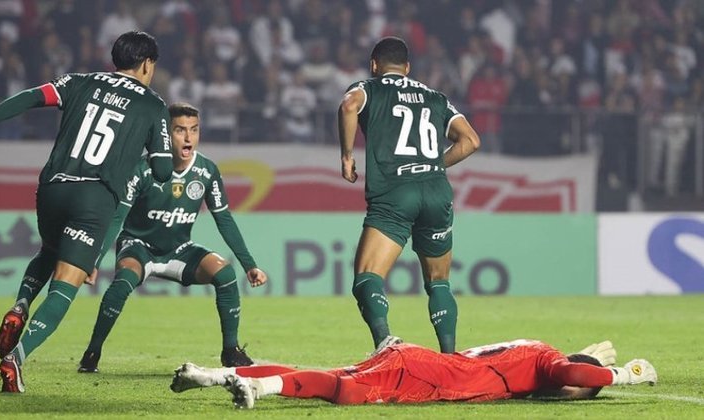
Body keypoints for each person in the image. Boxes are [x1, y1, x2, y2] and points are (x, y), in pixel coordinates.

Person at [0, 30, 174, 393]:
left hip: (52, 188)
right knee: (65, 285)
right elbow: (164, 171)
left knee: (50, 250)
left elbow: (30, 96)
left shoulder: (78, 81)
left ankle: (20, 305)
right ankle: (15, 359)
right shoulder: (153, 105)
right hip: (94, 198)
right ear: (148, 64)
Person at [77, 103, 268, 373]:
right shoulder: (142, 169)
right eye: (180, 130)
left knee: (225, 274)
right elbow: (117, 218)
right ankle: (92, 353)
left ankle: (231, 351)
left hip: (179, 250)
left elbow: (224, 219)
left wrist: (249, 265)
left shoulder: (206, 171)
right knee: (124, 280)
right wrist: (94, 260)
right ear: (166, 135)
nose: (188, 137)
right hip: (139, 246)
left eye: (194, 130)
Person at [337, 37, 481, 354]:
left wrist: (347, 156)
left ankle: (384, 343)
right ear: (407, 68)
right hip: (436, 192)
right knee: (439, 281)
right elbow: (471, 141)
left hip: (395, 191)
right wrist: (433, 165)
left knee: (367, 275)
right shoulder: (435, 97)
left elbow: (348, 106)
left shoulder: (369, 88)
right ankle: (450, 357)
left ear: (374, 65)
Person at [170, 338, 657, 409]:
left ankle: (210, 374)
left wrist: (586, 363)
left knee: (320, 373)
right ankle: (258, 385)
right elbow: (576, 374)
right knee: (346, 392)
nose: (574, 394)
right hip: (428, 375)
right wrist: (624, 375)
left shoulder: (533, 352)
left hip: (416, 360)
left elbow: (573, 374)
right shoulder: (549, 363)